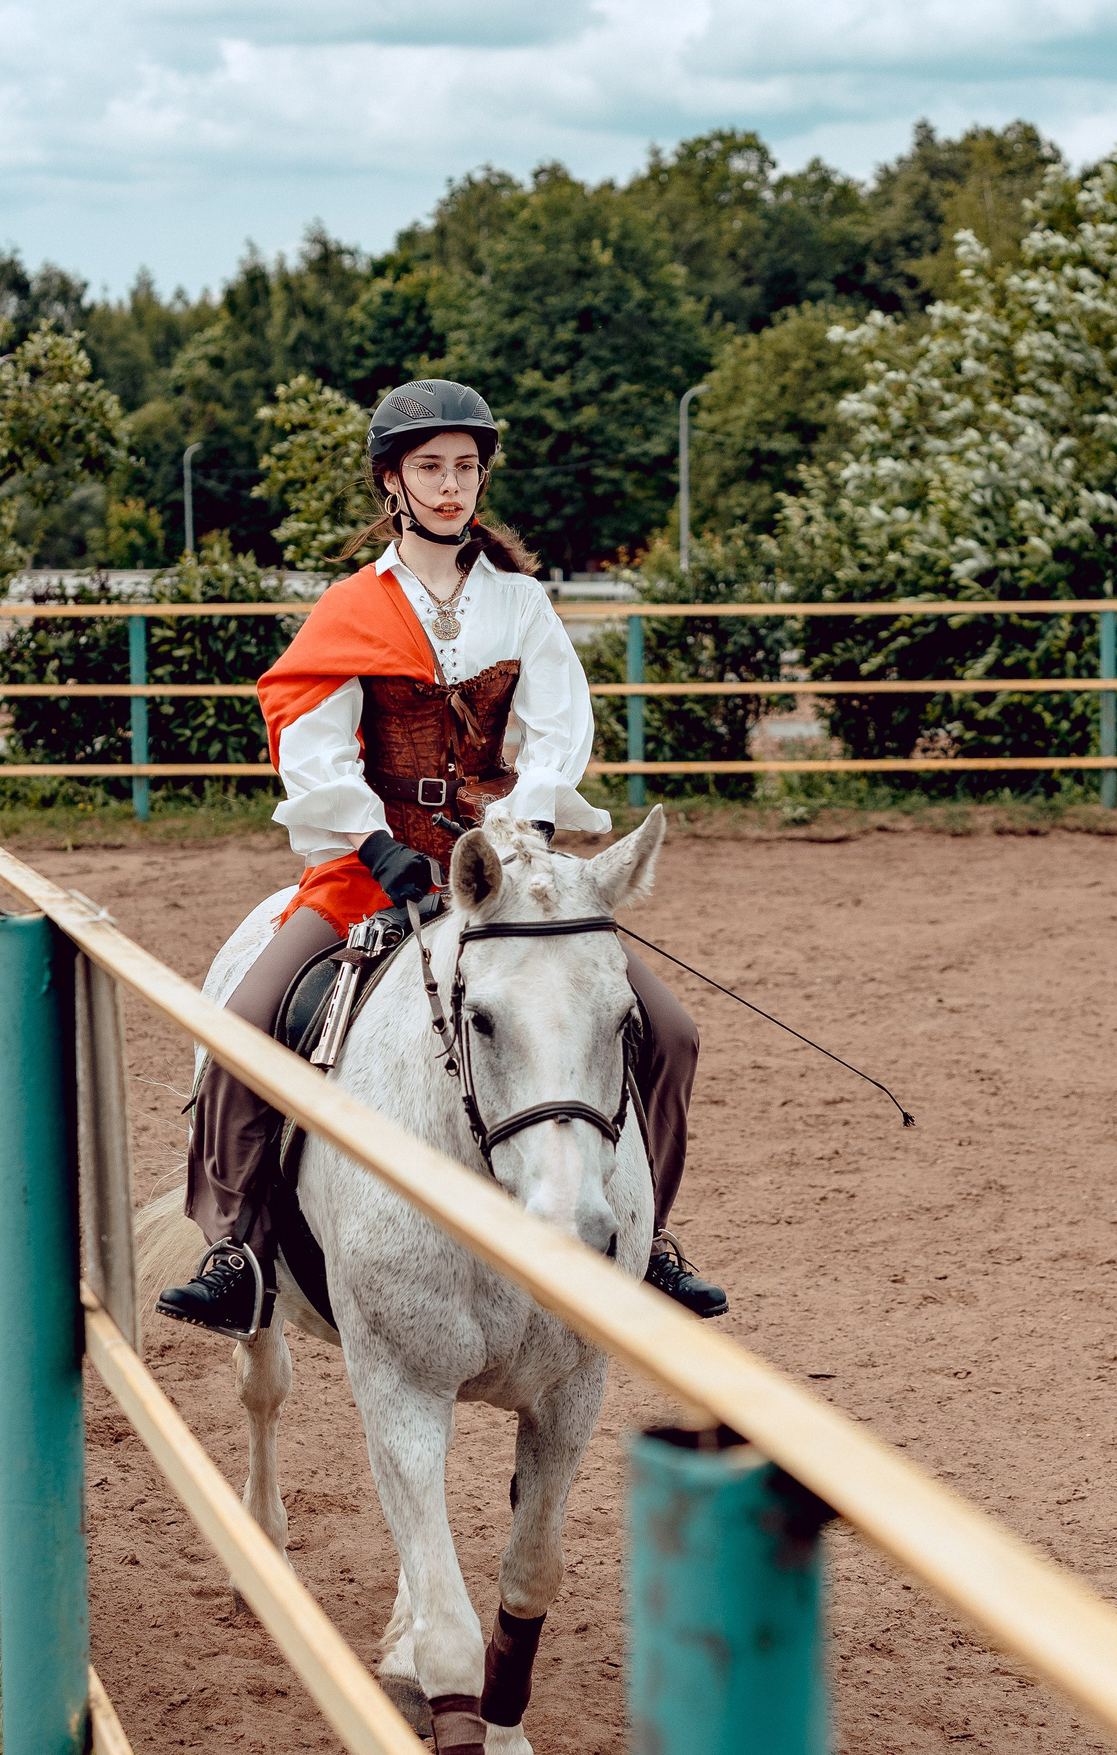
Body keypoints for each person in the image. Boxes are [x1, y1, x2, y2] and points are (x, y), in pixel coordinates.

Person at [156, 378, 726, 1339]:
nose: (452, 485)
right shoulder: (351, 609)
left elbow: (556, 734)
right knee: (247, 1026)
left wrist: (527, 837)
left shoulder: (522, 605)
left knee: (670, 1032)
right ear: (394, 482)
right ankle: (240, 1248)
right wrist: (379, 847)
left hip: (504, 865)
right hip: (368, 864)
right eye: (431, 468)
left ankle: (648, 1235)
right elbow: (312, 742)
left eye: (466, 467)